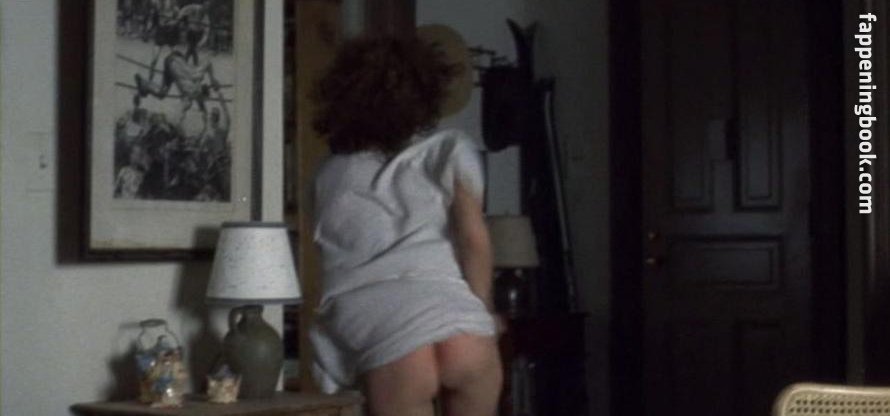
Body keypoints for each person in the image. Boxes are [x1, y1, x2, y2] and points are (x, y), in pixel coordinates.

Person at [308, 36, 502, 416]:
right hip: (461, 323)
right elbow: (473, 238)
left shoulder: (327, 174)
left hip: (388, 332)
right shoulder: (448, 149)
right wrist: (483, 310)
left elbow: (328, 257)